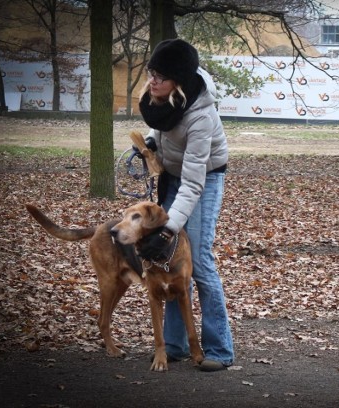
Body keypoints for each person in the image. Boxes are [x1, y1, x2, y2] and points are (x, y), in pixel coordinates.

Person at [136, 38, 234, 372]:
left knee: (200, 262)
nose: (154, 81)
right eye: (152, 73)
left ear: (178, 80)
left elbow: (193, 184)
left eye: (161, 76)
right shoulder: (158, 95)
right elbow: (161, 125)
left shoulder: (201, 116)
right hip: (173, 174)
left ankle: (219, 349)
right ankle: (175, 346)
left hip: (204, 180)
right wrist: (150, 145)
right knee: (166, 261)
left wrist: (168, 228)